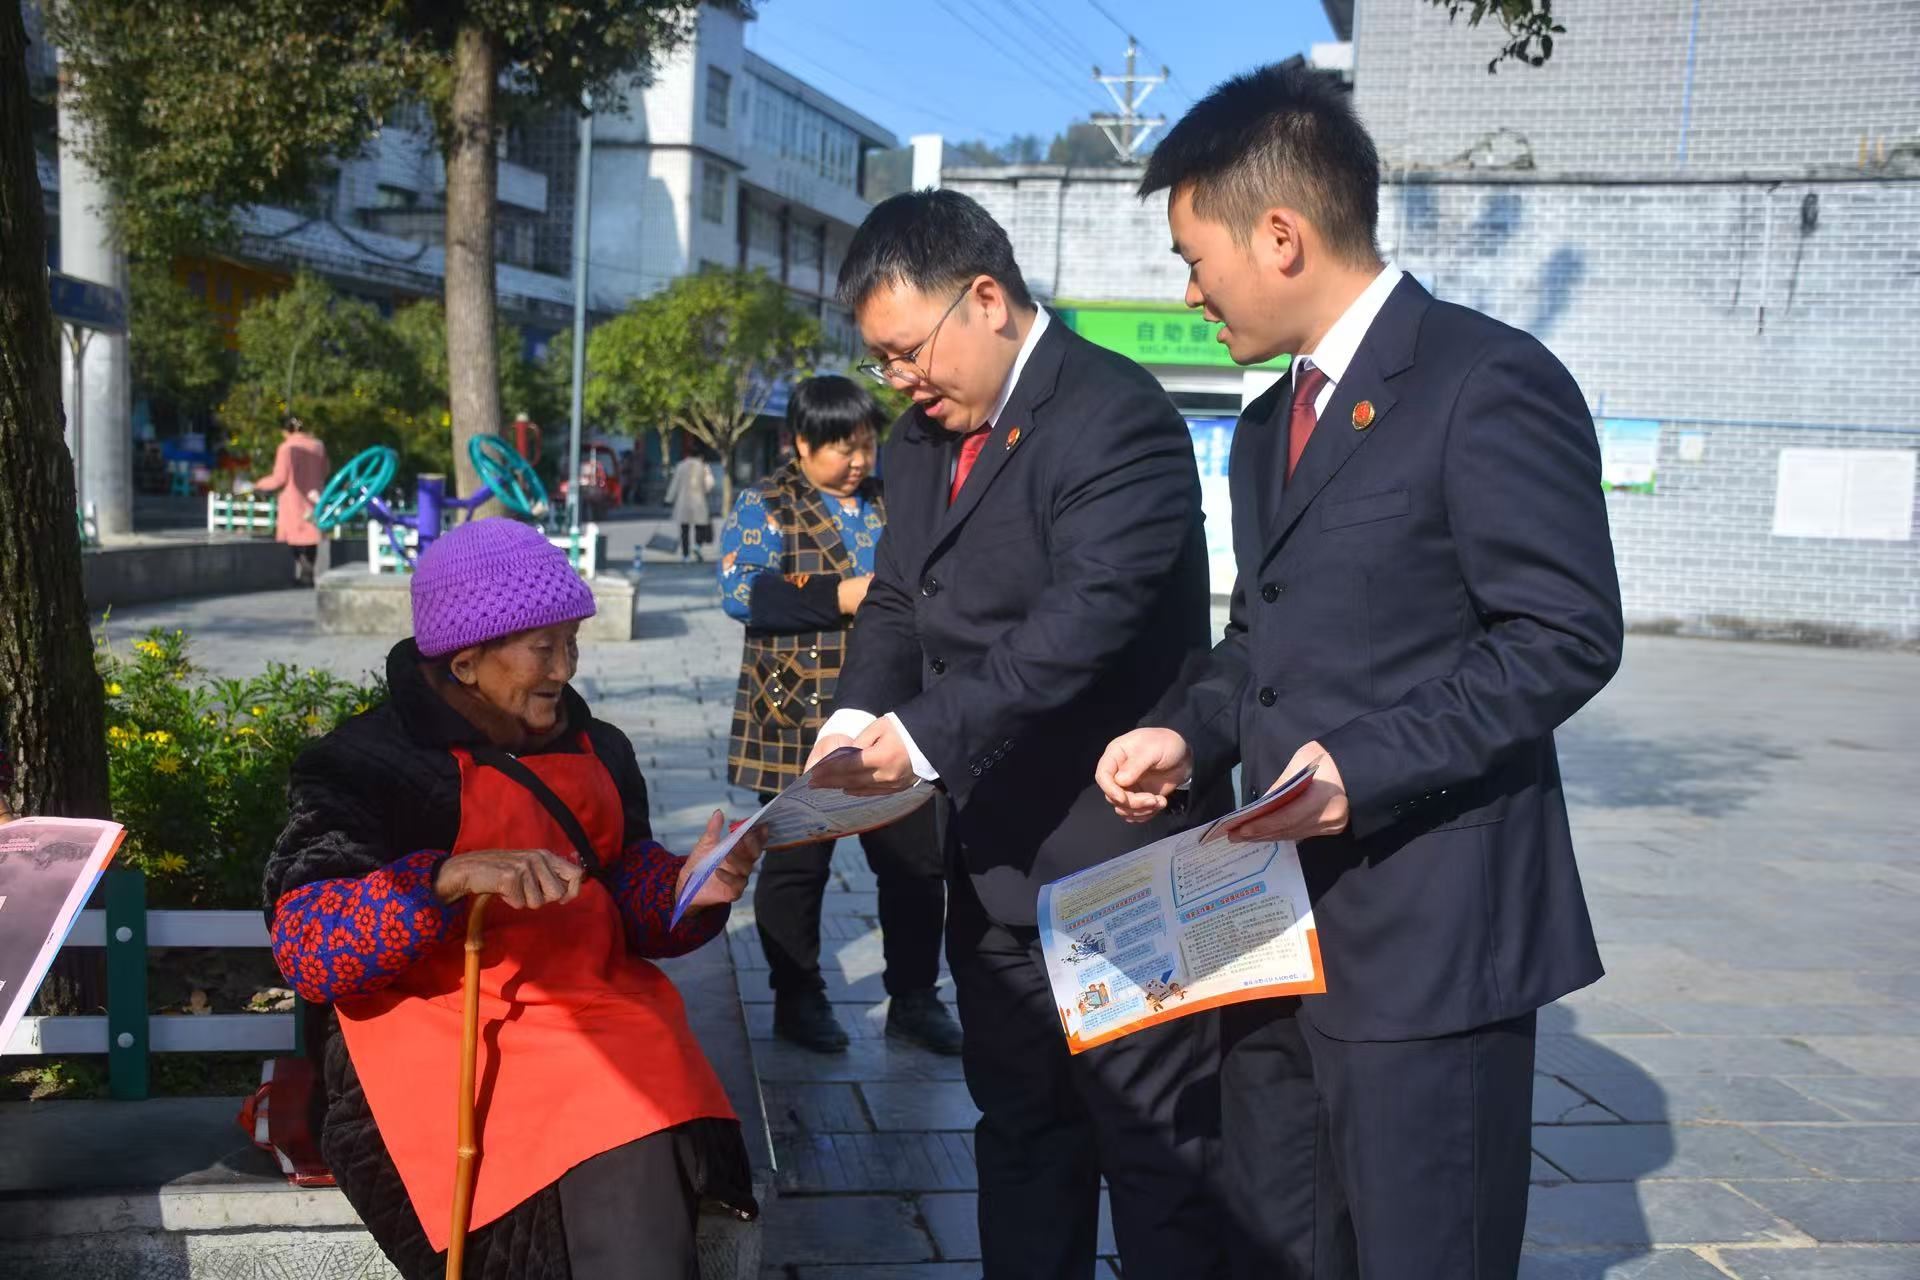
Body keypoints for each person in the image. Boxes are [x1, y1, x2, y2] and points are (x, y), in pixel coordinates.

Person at [1097, 63, 1625, 1280]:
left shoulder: (1483, 380)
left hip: (1430, 939)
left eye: (1194, 259)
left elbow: (1563, 632)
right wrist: (1189, 730)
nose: (1189, 294)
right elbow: (1261, 640)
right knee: (1280, 1246)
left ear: (1279, 236)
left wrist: (1362, 765)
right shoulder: (1263, 428)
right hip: (1272, 931)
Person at [804, 190, 1230, 1280]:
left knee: (1157, 1153)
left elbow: (1081, 622)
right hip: (991, 859)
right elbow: (899, 596)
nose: (899, 381)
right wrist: (854, 717)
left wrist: (919, 737)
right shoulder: (919, 439)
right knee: (1023, 1134)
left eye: (908, 352)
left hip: (1118, 858)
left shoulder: (1115, 414)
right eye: (881, 362)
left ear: (985, 299)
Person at [263, 517, 764, 1280]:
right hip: (443, 1029)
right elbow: (308, 946)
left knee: (641, 1081)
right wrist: (442, 880)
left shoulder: (600, 749)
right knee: (612, 1105)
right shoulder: (362, 763)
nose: (565, 668)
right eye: (543, 648)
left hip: (595, 1006)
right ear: (465, 662)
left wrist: (687, 889)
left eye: (572, 643)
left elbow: (622, 887)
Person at [717, 376, 959, 1056]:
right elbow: (740, 590)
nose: (857, 462)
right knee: (797, 868)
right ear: (801, 443)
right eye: (841, 448)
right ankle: (798, 997)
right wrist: (840, 596)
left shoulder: (891, 498)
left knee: (916, 866)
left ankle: (915, 997)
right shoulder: (766, 503)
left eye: (864, 446)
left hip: (892, 715)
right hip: (795, 715)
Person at [252, 414, 331, 585]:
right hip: (314, 498)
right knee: (311, 536)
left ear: (285, 431)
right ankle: (308, 571)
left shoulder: (286, 448)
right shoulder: (318, 445)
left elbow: (280, 478)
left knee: (294, 539)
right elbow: (325, 470)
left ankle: (305, 571)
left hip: (293, 499)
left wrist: (259, 484)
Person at [664, 447, 716, 561]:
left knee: (684, 529)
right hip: (699, 501)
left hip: (683, 501)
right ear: (700, 456)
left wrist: (668, 499)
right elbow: (710, 484)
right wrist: (704, 489)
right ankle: (697, 546)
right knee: (700, 526)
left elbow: (675, 484)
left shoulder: (680, 466)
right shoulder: (703, 466)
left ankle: (685, 555)